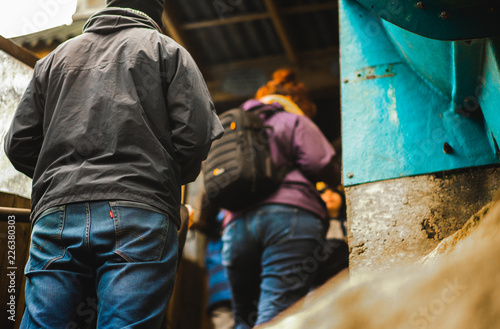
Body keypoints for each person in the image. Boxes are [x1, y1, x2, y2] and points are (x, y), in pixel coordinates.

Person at [3, 1, 224, 328]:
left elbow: (18, 143)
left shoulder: (55, 59)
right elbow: (196, 136)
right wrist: (162, 177)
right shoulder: (168, 52)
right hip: (139, 214)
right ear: (155, 12)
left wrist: (60, 178)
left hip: (58, 215)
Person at [220, 68, 340, 328]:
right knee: (276, 313)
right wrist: (336, 184)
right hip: (290, 219)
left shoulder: (232, 128)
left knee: (244, 319)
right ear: (298, 103)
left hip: (235, 228)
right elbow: (320, 163)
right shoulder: (292, 120)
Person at [312, 183, 349, 288]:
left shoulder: (348, 223)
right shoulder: (313, 225)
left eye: (333, 192)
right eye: (323, 193)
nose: (329, 196)